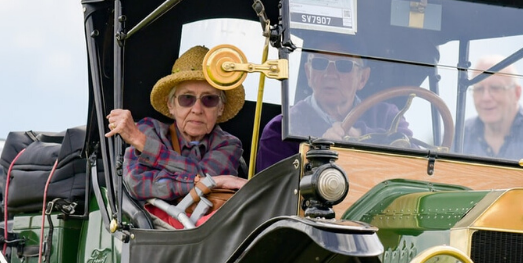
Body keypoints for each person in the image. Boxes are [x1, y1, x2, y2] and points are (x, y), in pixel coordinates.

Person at [106, 45, 247, 203]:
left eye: (209, 99)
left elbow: (207, 174)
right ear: (171, 104)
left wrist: (146, 146)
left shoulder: (229, 144)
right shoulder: (149, 129)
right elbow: (138, 184)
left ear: (220, 108)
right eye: (187, 98)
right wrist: (208, 182)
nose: (197, 109)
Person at [256, 40, 411, 170]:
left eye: (344, 65)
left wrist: (362, 136)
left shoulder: (388, 117)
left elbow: (416, 159)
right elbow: (275, 196)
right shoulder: (281, 129)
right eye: (319, 63)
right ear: (308, 73)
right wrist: (318, 156)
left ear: (363, 78)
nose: (330, 74)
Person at [463, 58, 523, 161]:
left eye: (495, 88)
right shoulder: (460, 136)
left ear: (517, 93)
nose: (486, 98)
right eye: (479, 89)